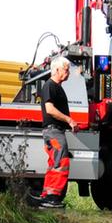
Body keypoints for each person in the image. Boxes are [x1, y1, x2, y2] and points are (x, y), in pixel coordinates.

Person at [28, 56, 79, 210]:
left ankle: (47, 196)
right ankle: (52, 198)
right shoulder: (50, 86)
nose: (68, 73)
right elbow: (50, 110)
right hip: (54, 132)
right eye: (66, 69)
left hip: (55, 131)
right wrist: (69, 120)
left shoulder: (56, 87)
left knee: (54, 163)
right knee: (61, 163)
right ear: (56, 69)